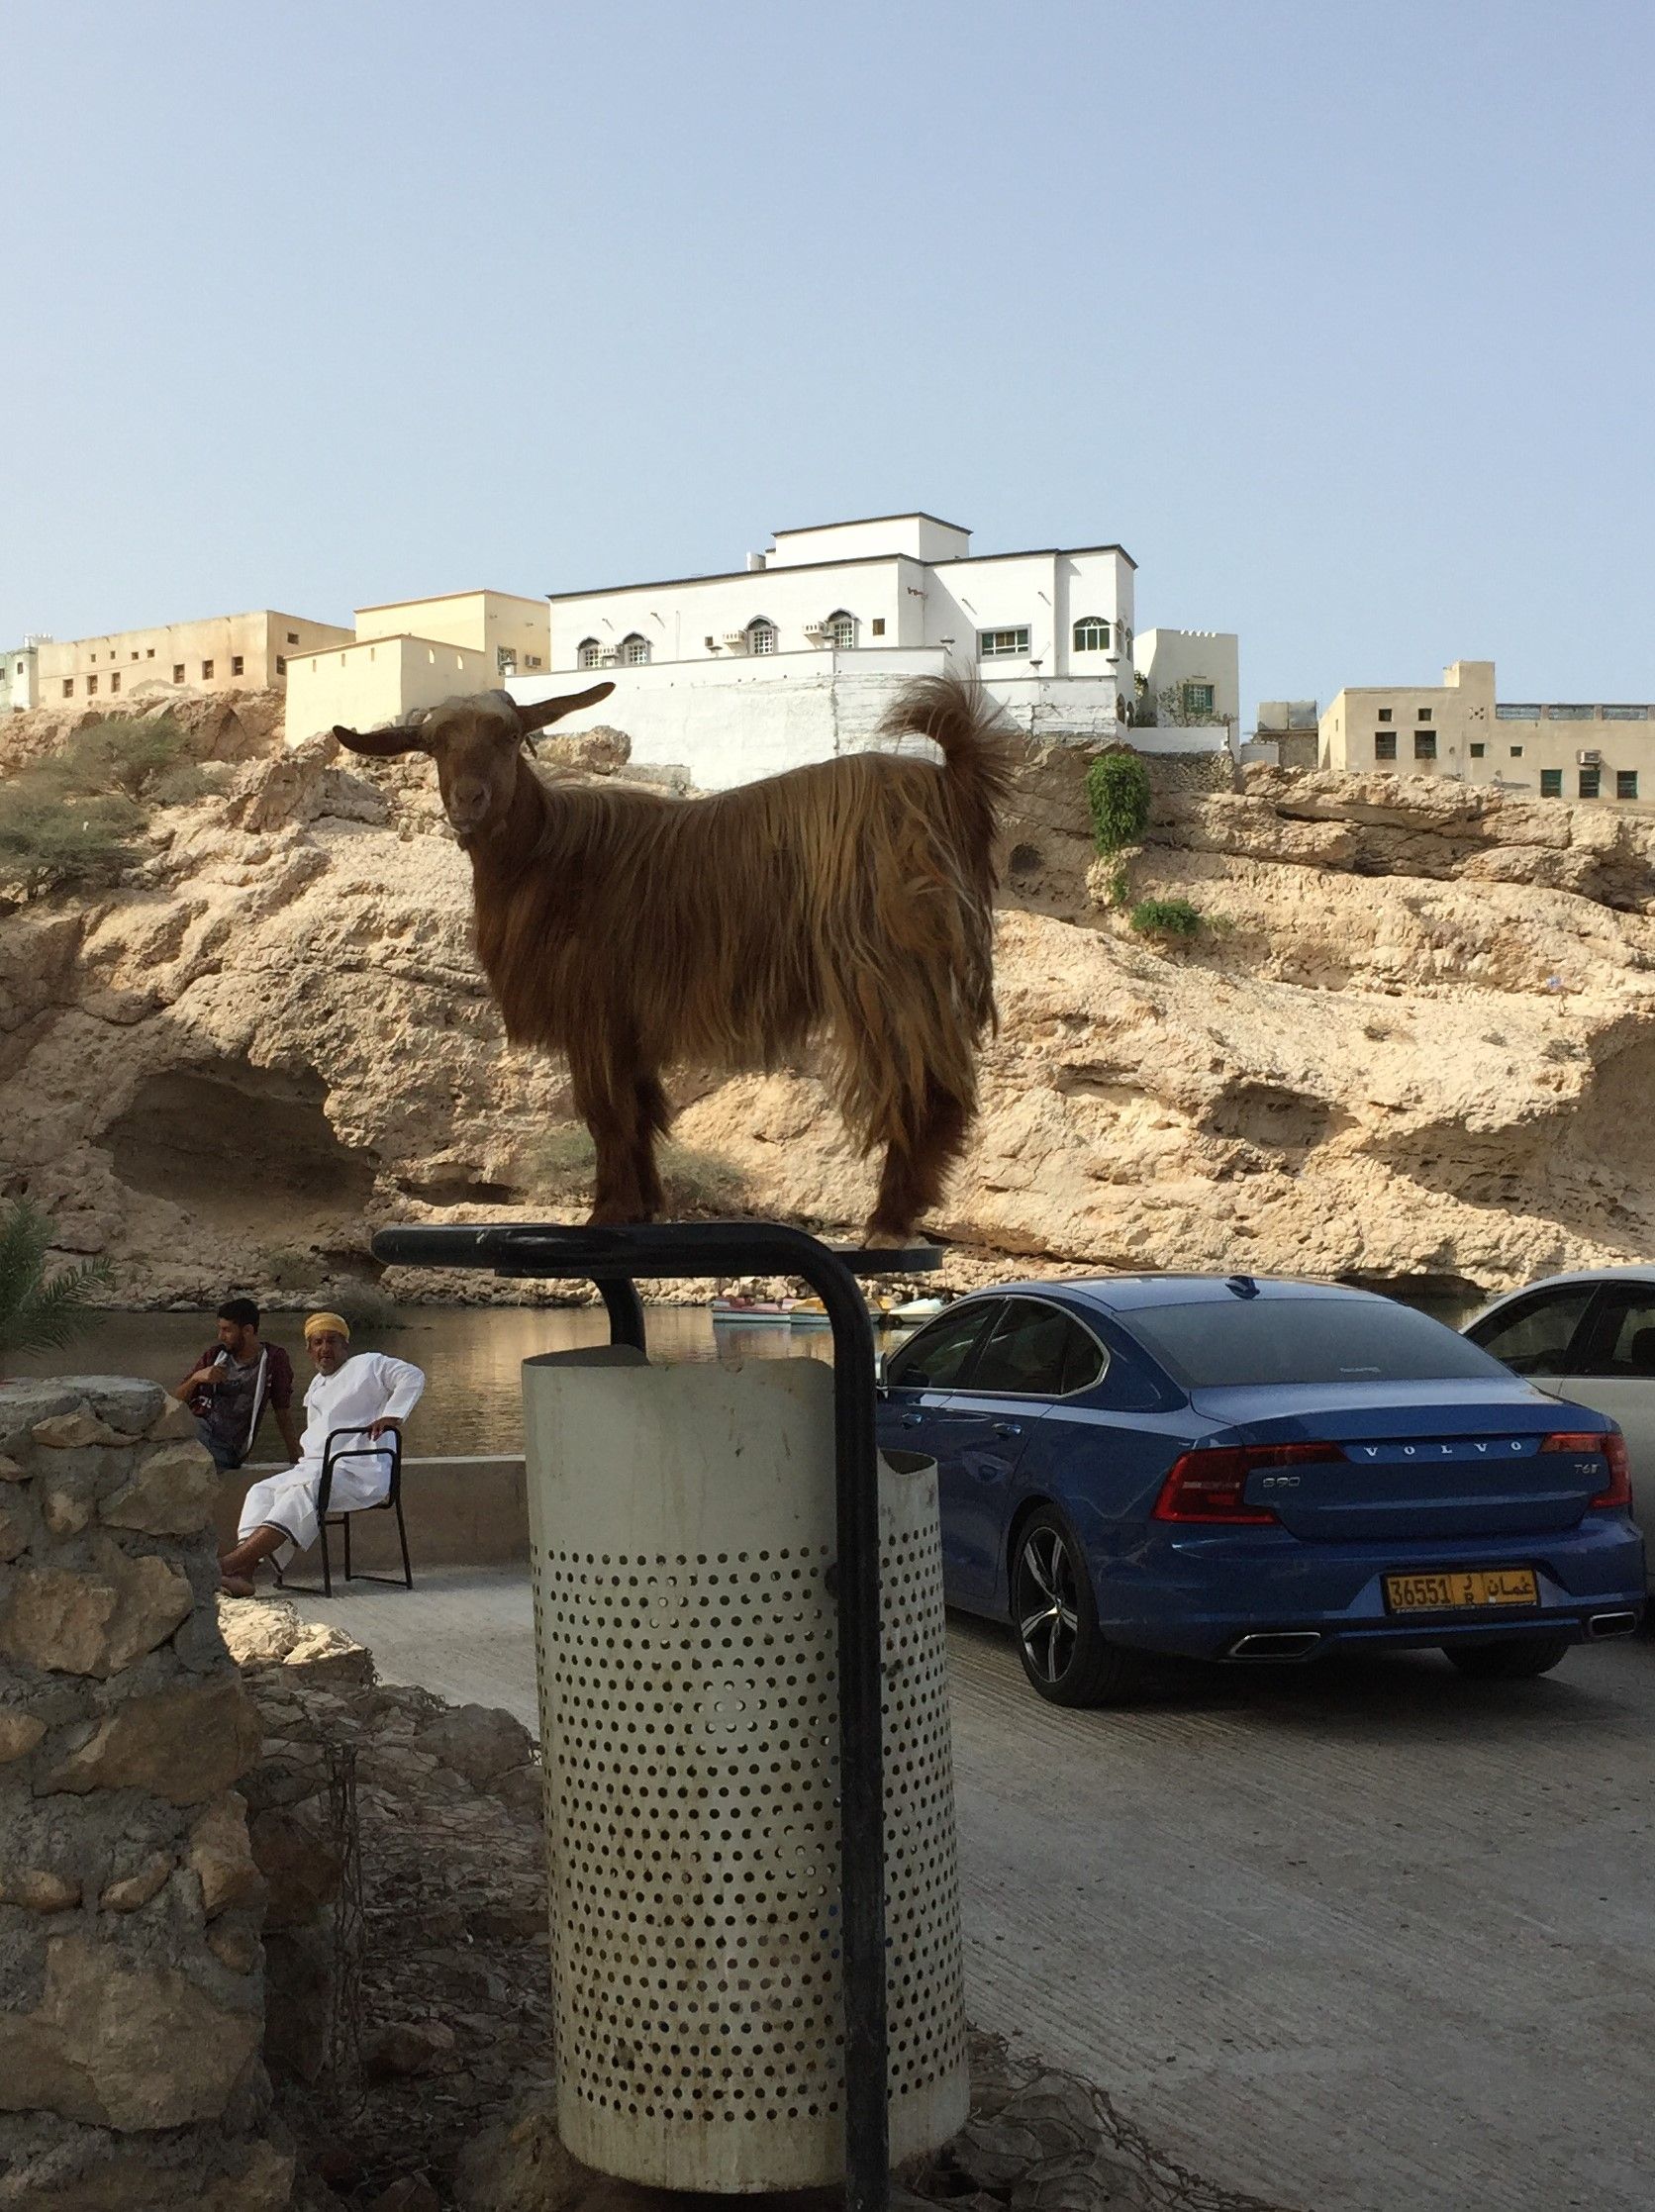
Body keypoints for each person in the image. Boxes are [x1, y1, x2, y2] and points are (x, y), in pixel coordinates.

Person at [219, 1312, 426, 1597]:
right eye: (317, 1342)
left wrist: (392, 1416)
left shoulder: (369, 1364)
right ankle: (244, 1574)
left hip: (359, 1472)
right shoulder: (317, 1383)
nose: (324, 1349)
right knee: (261, 1490)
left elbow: (412, 1375)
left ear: (345, 1346)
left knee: (301, 1492)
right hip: (316, 1468)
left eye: (332, 1341)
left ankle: (227, 1564)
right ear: (309, 1349)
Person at [178, 1298, 301, 1473]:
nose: (220, 1336)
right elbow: (175, 1401)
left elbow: (282, 1410)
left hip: (227, 1447)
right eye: (220, 1329)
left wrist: (295, 1457)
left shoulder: (273, 1359)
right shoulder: (215, 1355)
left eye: (227, 1330)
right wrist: (196, 1378)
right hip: (199, 1432)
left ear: (248, 1331)